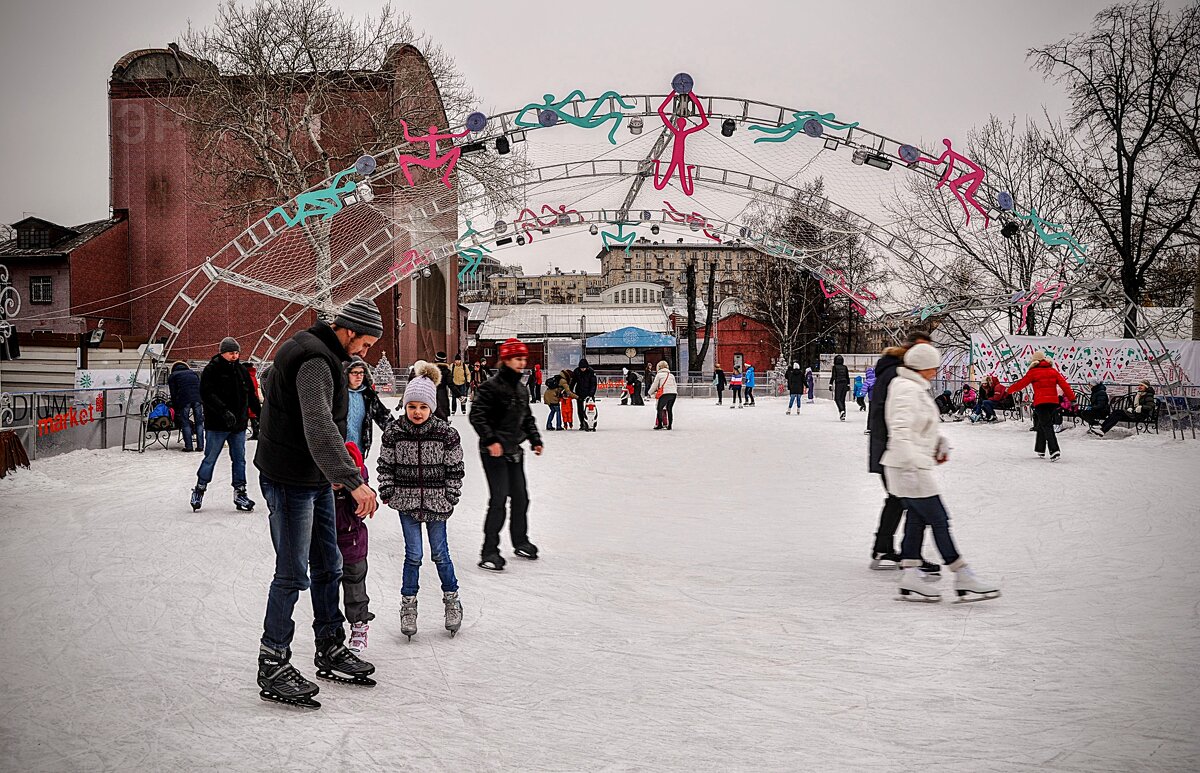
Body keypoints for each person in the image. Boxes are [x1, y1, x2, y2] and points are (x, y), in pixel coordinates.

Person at [253, 298, 382, 709]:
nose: (367, 352)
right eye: (365, 343)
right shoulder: (315, 360)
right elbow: (319, 425)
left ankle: (330, 645)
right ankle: (272, 660)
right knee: (292, 573)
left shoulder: (317, 351)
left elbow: (275, 382)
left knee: (330, 564)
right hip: (291, 480)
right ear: (348, 332)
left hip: (314, 477)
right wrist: (353, 480)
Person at [884, 342, 1000, 603]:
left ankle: (911, 575)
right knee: (939, 518)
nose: (936, 372)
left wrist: (938, 442)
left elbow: (920, 427)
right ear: (924, 366)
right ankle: (962, 574)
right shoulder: (906, 389)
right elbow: (901, 429)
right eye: (934, 367)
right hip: (908, 467)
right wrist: (911, 464)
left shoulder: (913, 387)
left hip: (911, 465)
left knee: (917, 519)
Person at [377, 361, 465, 640]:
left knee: (440, 554)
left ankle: (452, 600)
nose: (417, 412)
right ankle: (408, 606)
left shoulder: (445, 433)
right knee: (413, 555)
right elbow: (385, 465)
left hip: (438, 502)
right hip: (406, 502)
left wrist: (451, 495)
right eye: (412, 406)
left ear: (431, 407)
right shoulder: (394, 432)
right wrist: (388, 491)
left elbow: (455, 468)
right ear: (405, 405)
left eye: (423, 407)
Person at [470, 338, 544, 571]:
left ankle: (520, 541)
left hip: (514, 451)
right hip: (493, 453)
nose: (522, 363)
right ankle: (489, 550)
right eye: (517, 359)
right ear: (506, 359)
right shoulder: (491, 387)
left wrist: (535, 439)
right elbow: (477, 416)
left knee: (521, 498)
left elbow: (528, 417)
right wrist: (490, 440)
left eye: (523, 359)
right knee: (499, 500)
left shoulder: (521, 388)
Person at [867, 330, 937, 573]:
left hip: (895, 448)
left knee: (900, 500)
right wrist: (903, 450)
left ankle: (885, 548)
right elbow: (894, 418)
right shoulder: (896, 374)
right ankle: (906, 555)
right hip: (893, 449)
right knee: (912, 501)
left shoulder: (902, 372)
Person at [191, 337, 261, 513]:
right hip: (217, 425)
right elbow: (207, 394)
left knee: (239, 459)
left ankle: (240, 492)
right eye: (231, 353)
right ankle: (200, 488)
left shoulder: (241, 371)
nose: (234, 356)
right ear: (223, 352)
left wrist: (259, 414)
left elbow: (250, 395)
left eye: (237, 353)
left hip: (238, 425)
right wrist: (223, 411)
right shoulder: (212, 370)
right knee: (210, 458)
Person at [334, 441, 374, 653]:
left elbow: (366, 504)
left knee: (355, 590)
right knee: (328, 590)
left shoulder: (360, 492)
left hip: (353, 546)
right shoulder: (322, 493)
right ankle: (331, 629)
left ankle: (359, 626)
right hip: (328, 547)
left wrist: (350, 489)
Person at [1006, 351, 1075, 461]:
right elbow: (1065, 385)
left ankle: (1054, 450)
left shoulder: (1033, 372)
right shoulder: (1053, 371)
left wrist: (1009, 390)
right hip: (1053, 403)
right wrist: (1072, 398)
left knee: (1046, 425)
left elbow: (1021, 384)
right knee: (1042, 424)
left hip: (1041, 403)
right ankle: (1040, 449)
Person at [345, 358, 391, 459]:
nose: (359, 376)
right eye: (355, 373)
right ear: (346, 374)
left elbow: (383, 417)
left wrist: (401, 432)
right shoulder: (337, 395)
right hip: (339, 449)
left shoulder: (368, 395)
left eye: (362, 373)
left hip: (359, 450)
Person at [167, 360, 204, 453]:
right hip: (197, 399)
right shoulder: (193, 373)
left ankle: (189, 446)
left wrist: (176, 405)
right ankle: (200, 446)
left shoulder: (173, 376)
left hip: (184, 400)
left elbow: (173, 392)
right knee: (199, 422)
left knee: (185, 422)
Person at [648, 360, 679, 430]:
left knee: (659, 409)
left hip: (664, 394)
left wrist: (649, 392)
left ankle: (660, 425)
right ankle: (670, 425)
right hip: (673, 394)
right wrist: (674, 392)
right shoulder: (671, 375)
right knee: (669, 409)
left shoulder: (659, 375)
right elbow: (675, 385)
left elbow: (654, 385)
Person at [572, 358, 598, 432]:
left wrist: (591, 394)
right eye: (581, 368)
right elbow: (573, 382)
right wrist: (570, 391)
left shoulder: (591, 372)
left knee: (591, 409)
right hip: (579, 392)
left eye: (584, 368)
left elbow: (593, 384)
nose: (582, 369)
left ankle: (591, 422)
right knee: (580, 409)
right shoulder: (576, 371)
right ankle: (582, 423)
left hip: (589, 393)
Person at [432, 352, 453, 421]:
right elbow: (451, 384)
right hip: (443, 395)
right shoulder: (447, 371)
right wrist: (459, 395)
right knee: (443, 415)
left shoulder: (430, 370)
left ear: (435, 359)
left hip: (431, 394)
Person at [830, 354, 850, 420]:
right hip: (845, 383)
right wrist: (848, 385)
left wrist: (830, 384)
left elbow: (833, 376)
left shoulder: (834, 367)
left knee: (837, 398)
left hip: (838, 383)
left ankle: (841, 411)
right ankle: (843, 414)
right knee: (842, 399)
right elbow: (847, 376)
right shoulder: (845, 367)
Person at [246, 364, 263, 440]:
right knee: (253, 417)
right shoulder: (253, 376)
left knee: (253, 418)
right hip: (254, 399)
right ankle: (256, 433)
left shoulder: (248, 377)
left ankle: (256, 434)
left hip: (250, 400)